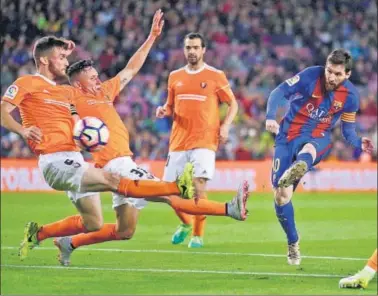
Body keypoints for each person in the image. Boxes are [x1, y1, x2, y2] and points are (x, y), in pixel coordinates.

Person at [51, 31, 249, 265]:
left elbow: (131, 69)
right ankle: (229, 209)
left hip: (121, 164)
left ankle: (69, 243)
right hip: (116, 163)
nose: (97, 79)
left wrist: (152, 37)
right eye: (91, 77)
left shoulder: (104, 91)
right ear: (76, 82)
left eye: (96, 75)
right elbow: (47, 91)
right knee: (170, 194)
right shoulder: (70, 96)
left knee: (125, 231)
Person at [0, 27, 196, 260]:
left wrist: (151, 37)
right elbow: (3, 110)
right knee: (114, 180)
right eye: (61, 57)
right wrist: (22, 130)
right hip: (54, 161)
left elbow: (124, 72)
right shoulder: (27, 83)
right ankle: (175, 187)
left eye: (66, 57)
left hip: (75, 160)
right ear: (44, 59)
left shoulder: (67, 93)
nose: (66, 61)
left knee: (93, 223)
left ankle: (38, 234)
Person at [265, 49, 374, 265]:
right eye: (329, 71)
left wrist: (358, 141)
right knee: (281, 196)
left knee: (309, 150)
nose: (331, 77)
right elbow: (278, 92)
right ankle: (293, 242)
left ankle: (301, 165)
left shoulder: (351, 97)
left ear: (348, 75)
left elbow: (348, 131)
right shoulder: (310, 76)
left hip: (317, 137)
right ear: (325, 67)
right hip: (287, 136)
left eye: (337, 74)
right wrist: (269, 117)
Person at [156, 32, 238, 248]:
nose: (191, 51)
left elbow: (233, 104)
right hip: (178, 141)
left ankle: (197, 235)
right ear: (184, 50)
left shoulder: (215, 75)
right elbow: (170, 106)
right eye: (188, 47)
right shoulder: (174, 76)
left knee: (198, 186)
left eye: (195, 47)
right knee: (169, 191)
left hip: (204, 140)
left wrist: (226, 125)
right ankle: (185, 223)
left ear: (203, 50)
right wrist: (164, 110)